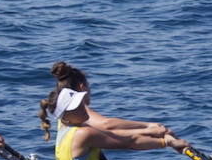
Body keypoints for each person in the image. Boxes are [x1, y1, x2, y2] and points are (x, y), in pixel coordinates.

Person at [48, 87, 199, 160]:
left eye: (81, 102)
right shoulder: (83, 134)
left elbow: (110, 127)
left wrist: (149, 129)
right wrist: (167, 142)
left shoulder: (64, 127)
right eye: (76, 107)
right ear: (65, 117)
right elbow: (130, 142)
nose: (83, 108)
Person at [39, 61, 173, 142]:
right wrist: (149, 127)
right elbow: (107, 125)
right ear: (82, 87)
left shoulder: (62, 111)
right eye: (89, 86)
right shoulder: (78, 111)